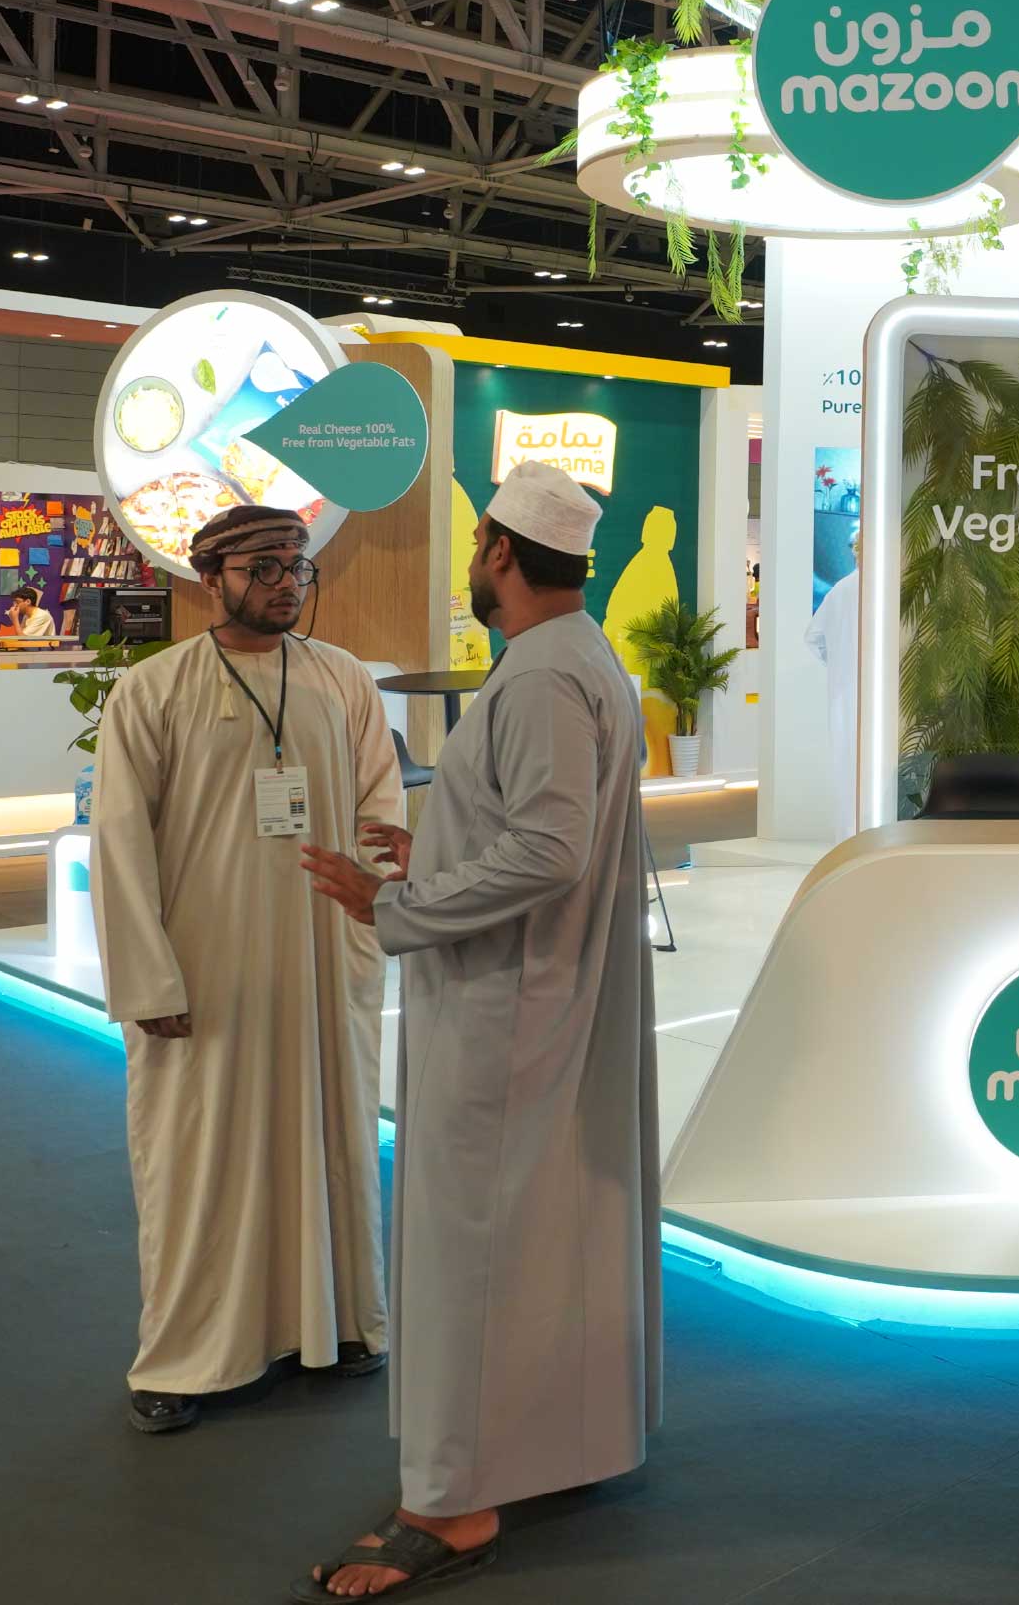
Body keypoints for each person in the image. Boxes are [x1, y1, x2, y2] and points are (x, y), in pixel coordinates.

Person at [294, 462, 658, 1600]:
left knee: (468, 1253)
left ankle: (447, 1506)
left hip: (508, 1006)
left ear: (502, 550)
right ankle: (544, 1448)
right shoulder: (582, 659)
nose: (469, 561)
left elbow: (549, 849)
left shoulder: (541, 673)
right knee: (541, 1239)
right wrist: (440, 850)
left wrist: (393, 902)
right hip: (543, 996)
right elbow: (540, 825)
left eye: (474, 543)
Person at [87, 505, 403, 1434]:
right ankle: (186, 1358)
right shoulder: (154, 689)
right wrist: (147, 979)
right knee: (200, 1159)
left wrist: (373, 914)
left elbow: (381, 809)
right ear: (208, 578)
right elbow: (118, 843)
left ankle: (341, 1321)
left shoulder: (343, 678)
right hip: (205, 967)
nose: (285, 584)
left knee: (334, 1136)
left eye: (296, 567)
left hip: (321, 959)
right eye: (263, 567)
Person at [805, 566, 860, 843]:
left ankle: (848, 840)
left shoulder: (841, 589)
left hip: (845, 693)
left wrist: (838, 663)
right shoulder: (888, 584)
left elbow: (813, 638)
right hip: (872, 694)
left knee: (848, 769)